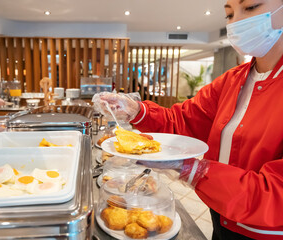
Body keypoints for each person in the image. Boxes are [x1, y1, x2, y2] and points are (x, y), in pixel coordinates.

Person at [93, 0, 283, 239]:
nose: (236, 22)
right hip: (221, 213)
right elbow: (182, 121)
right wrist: (136, 110)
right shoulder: (233, 81)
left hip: (265, 230)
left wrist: (195, 170)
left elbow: (276, 194)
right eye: (229, 14)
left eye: (252, 7)